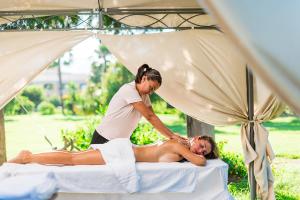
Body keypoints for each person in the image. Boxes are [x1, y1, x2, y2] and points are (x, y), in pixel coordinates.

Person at [91, 63, 187, 145]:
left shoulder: (144, 97)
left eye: (154, 90)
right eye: (151, 88)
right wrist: (172, 136)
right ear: (144, 79)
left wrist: (172, 135)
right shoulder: (128, 89)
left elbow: (153, 117)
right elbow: (150, 116)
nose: (151, 92)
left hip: (118, 143)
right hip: (103, 138)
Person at [8, 135, 219, 166]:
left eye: (205, 152)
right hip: (123, 153)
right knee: (72, 159)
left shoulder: (180, 145)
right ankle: (28, 156)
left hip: (124, 150)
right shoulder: (179, 146)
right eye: (202, 146)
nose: (201, 152)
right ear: (197, 138)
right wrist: (199, 155)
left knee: (74, 157)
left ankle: (29, 156)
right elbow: (199, 163)